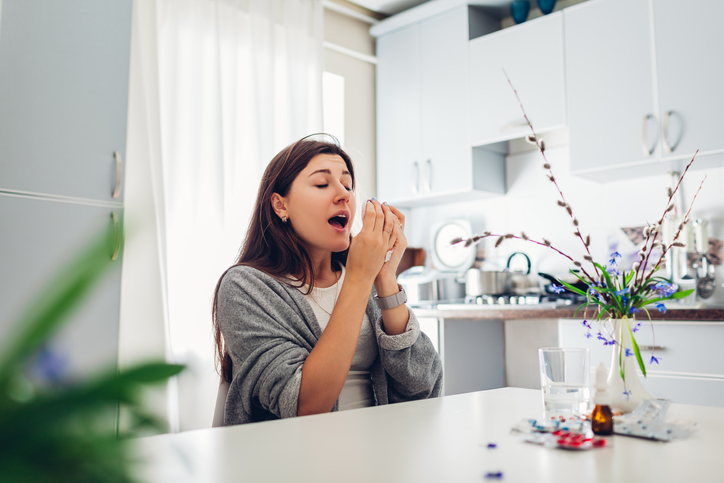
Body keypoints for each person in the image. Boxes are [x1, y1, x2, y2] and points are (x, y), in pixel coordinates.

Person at [212, 135, 442, 425]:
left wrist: (385, 278)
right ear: (280, 206)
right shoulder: (245, 287)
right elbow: (304, 404)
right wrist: (360, 277)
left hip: (381, 449)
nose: (343, 194)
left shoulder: (364, 277)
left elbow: (423, 387)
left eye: (347, 184)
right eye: (322, 184)